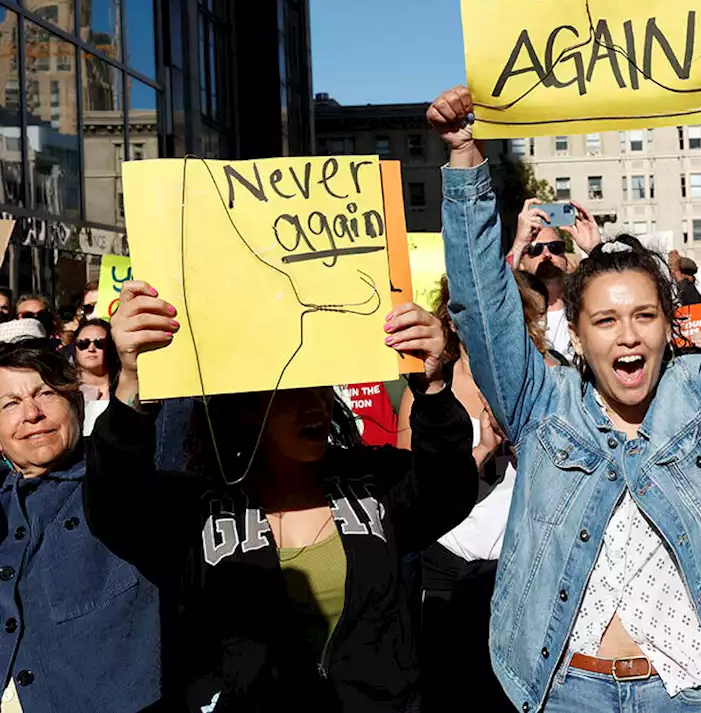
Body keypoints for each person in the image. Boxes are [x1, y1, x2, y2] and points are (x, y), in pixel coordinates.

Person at [429, 73, 701, 712]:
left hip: (700, 692)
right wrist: (464, 160)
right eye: (604, 320)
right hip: (570, 691)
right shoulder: (543, 408)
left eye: (644, 316)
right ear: (575, 332)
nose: (627, 336)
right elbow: (481, 305)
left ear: (669, 322)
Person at [86, 282, 478, 711]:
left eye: (321, 387)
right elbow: (114, 508)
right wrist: (132, 384)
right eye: (292, 391)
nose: (315, 405)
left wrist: (434, 387)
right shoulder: (199, 508)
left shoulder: (372, 481)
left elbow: (449, 490)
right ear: (251, 403)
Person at [411, 271, 556, 712]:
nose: (479, 321)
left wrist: (524, 447)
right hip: (446, 566)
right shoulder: (428, 388)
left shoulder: (549, 378)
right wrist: (484, 449)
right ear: (450, 320)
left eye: (494, 307)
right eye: (463, 311)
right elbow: (412, 496)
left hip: (526, 563)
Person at [0, 342, 161, 712]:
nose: (32, 414)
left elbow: (125, 444)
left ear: (76, 405)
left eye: (46, 394)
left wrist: (133, 374)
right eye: (10, 403)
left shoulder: (113, 481)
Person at [510, 198, 601, 359]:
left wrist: (594, 249)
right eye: (535, 249)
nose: (546, 254)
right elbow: (490, 295)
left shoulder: (586, 301)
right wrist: (518, 245)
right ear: (522, 262)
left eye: (555, 248)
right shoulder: (514, 309)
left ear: (565, 259)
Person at [72, 318, 119, 403]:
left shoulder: (126, 384)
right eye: (83, 344)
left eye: (100, 343)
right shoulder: (65, 390)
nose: (91, 349)